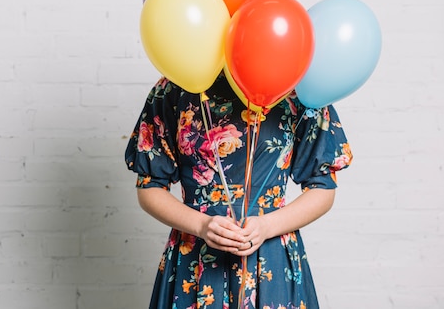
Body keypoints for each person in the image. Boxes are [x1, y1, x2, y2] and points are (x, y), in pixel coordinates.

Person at [124, 72, 353, 309]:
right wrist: (202, 225)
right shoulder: (177, 83)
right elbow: (149, 186)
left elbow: (323, 188)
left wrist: (267, 226)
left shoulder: (299, 84)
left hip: (271, 256)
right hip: (195, 254)